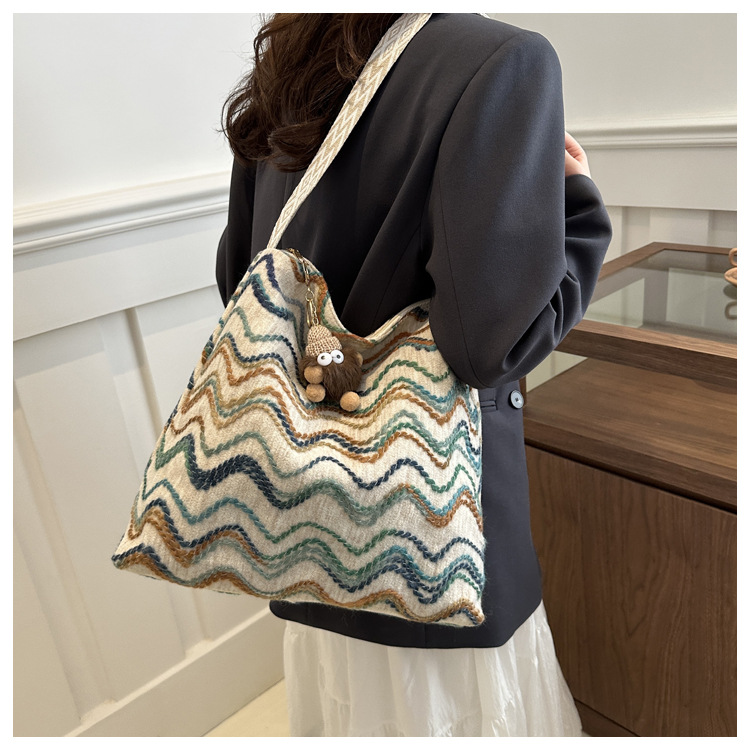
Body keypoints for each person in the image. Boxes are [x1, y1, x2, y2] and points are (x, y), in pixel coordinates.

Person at [216, 13, 612, 737]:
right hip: (435, 534)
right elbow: (490, 347)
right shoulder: (504, 59)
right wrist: (580, 208)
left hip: (308, 525)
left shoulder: (292, 61)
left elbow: (242, 282)